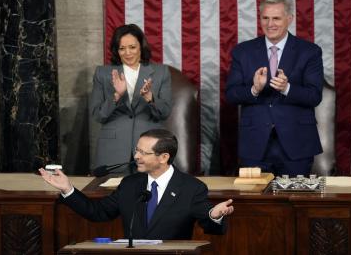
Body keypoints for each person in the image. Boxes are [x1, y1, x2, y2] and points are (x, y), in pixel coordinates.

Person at [39, 129, 234, 240]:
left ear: (164, 157)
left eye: (144, 153)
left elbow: (211, 224)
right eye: (136, 150)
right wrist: (67, 189)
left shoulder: (191, 187)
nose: (136, 156)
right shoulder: (130, 184)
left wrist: (214, 215)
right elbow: (97, 212)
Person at [225, 0, 323, 177]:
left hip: (296, 144)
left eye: (276, 18)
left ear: (289, 19)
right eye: (265, 18)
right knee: (255, 203)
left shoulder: (309, 52)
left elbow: (314, 96)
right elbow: (231, 94)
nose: (270, 24)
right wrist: (254, 89)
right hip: (255, 144)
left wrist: (287, 88)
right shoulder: (243, 51)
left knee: (294, 201)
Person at [90, 24, 172, 173]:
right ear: (117, 50)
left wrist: (150, 98)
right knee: (113, 194)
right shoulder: (102, 73)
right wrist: (116, 96)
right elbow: (98, 115)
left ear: (141, 46)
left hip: (151, 149)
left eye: (132, 47)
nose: (127, 53)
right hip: (113, 149)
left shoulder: (161, 72)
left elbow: (165, 112)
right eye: (122, 48)